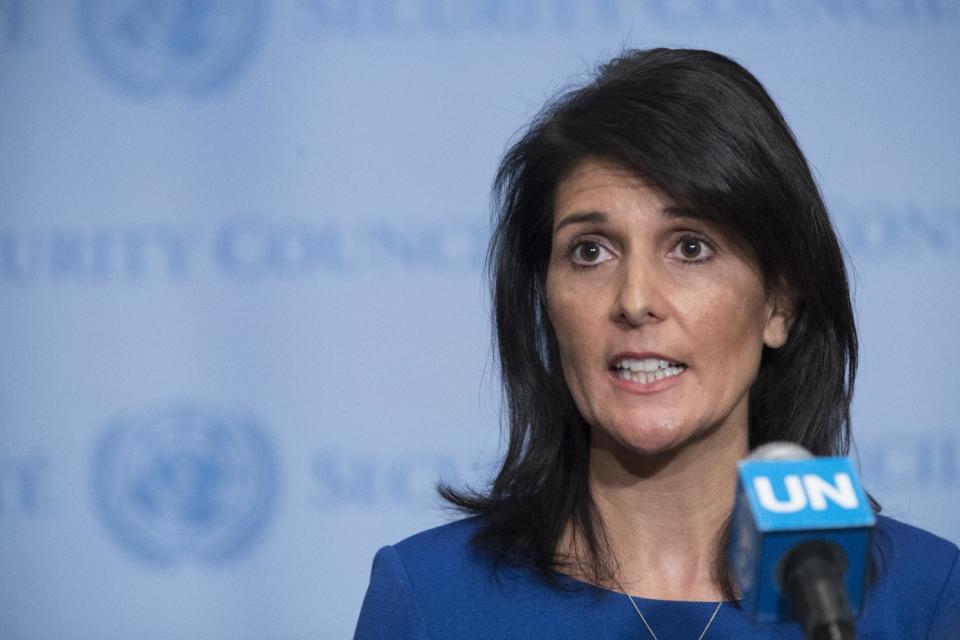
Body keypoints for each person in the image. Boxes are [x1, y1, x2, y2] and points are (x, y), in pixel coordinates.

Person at [353, 48, 959, 639]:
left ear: (779, 304)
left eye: (690, 247)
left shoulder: (921, 599)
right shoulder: (432, 600)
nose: (635, 298)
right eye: (590, 251)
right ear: (544, 299)